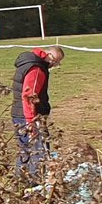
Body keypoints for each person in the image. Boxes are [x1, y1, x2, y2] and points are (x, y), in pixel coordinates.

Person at [13, 46, 64, 180]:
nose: (55, 65)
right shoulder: (37, 69)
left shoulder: (28, 62)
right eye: (56, 61)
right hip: (30, 117)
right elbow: (29, 96)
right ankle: (35, 184)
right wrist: (31, 122)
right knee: (39, 151)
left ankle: (21, 183)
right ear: (49, 56)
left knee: (24, 151)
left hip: (19, 114)